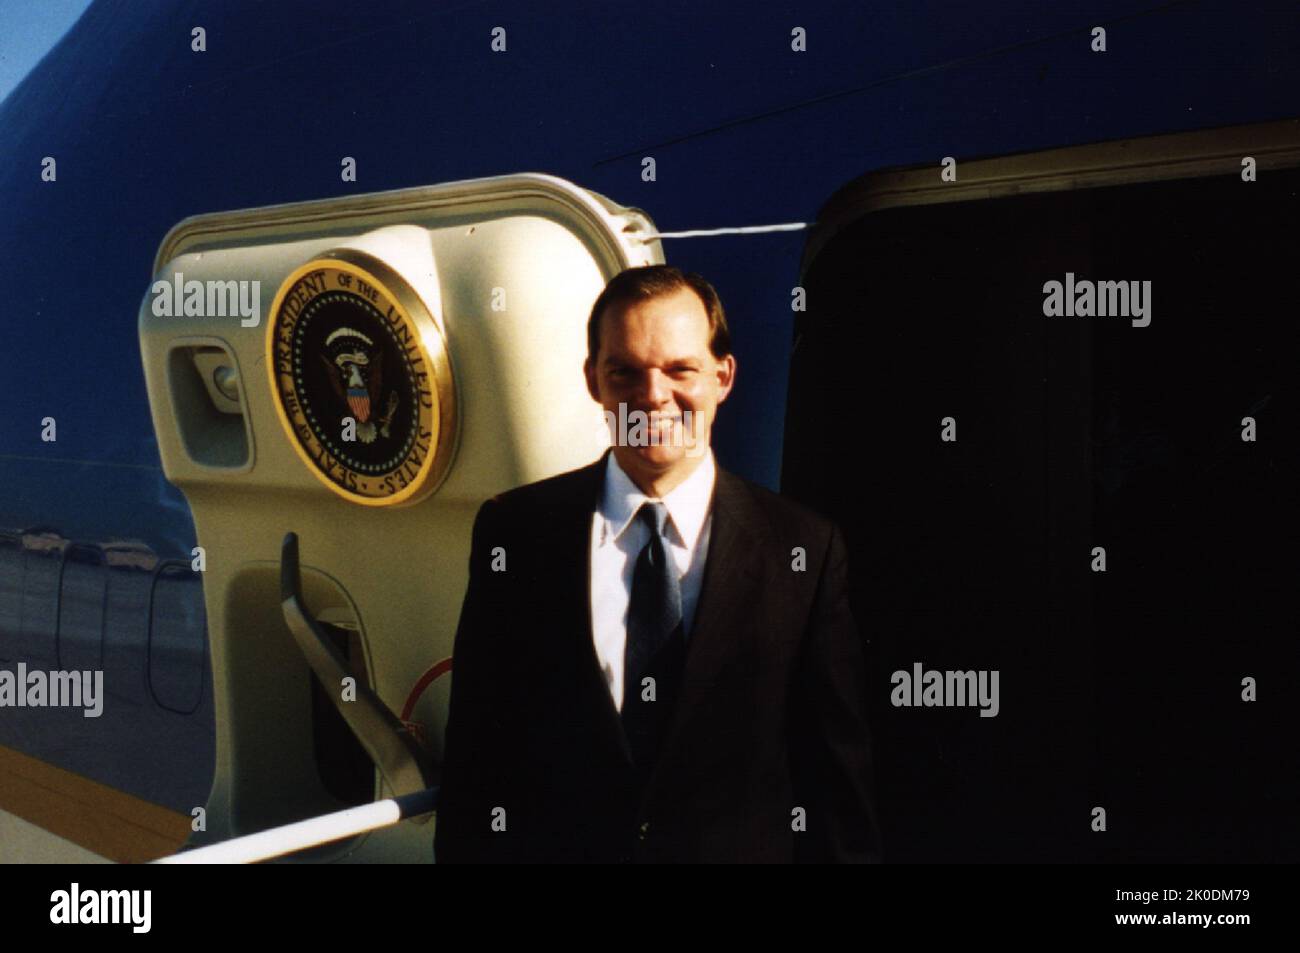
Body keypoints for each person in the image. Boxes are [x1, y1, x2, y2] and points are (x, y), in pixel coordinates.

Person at [434, 264, 881, 863]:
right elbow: (476, 760)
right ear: (593, 380)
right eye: (625, 372)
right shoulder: (515, 534)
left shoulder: (802, 550)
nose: (652, 395)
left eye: (679, 369)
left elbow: (836, 784)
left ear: (723, 377)